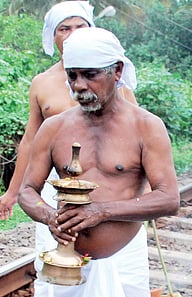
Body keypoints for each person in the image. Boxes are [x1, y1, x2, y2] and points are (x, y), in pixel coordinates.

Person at [18, 27, 180, 297]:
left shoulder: (146, 127)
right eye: (73, 76)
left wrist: (101, 212)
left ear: (116, 71)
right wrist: (51, 218)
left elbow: (169, 199)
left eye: (90, 75)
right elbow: (27, 191)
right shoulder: (54, 128)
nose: (79, 85)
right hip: (64, 259)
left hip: (123, 258)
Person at [0, 1, 137, 220]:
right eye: (64, 28)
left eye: (80, 27)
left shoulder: (113, 77)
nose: (72, 34)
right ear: (53, 37)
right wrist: (12, 192)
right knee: (57, 246)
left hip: (113, 179)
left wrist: (146, 191)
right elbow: (30, 141)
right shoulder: (42, 83)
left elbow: (138, 133)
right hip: (57, 184)